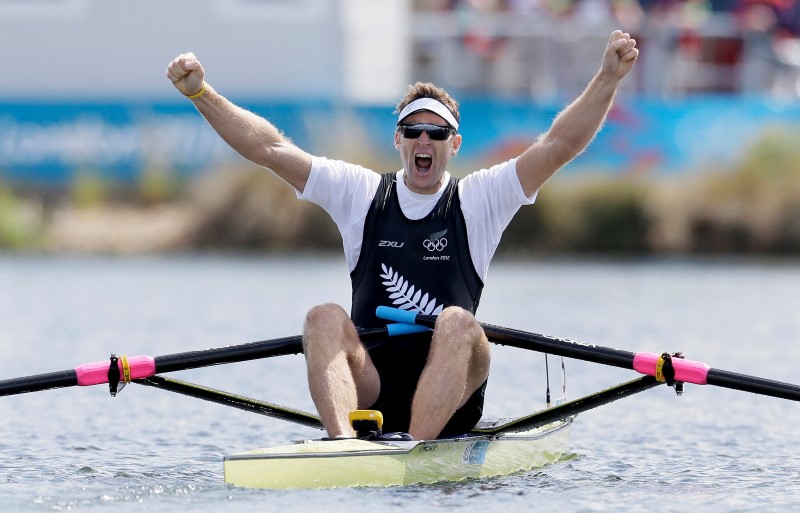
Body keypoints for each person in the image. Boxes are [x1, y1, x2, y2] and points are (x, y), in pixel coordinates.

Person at [166, 30, 638, 441]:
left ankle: (411, 447)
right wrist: (201, 93)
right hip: (371, 387)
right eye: (413, 130)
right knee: (322, 317)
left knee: (458, 322)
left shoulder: (480, 199)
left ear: (455, 144)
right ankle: (345, 444)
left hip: (453, 395)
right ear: (398, 140)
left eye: (437, 132)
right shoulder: (360, 192)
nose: (424, 141)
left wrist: (608, 78)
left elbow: (556, 146)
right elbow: (269, 148)